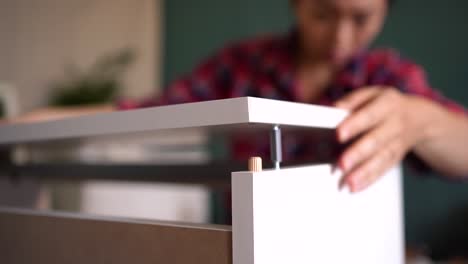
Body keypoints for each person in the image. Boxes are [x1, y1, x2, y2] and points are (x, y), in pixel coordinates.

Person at [6, 0, 468, 192]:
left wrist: (419, 119)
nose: (341, 38)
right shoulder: (242, 65)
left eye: (361, 18)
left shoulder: (388, 77)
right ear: (297, 4)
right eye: (325, 14)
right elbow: (145, 111)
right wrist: (27, 124)